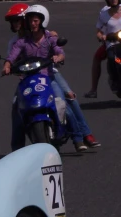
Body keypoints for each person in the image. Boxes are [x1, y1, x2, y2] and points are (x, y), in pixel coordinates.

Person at [5, 4, 100, 150]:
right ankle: (16, 147)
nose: (18, 24)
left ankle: (81, 135)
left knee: (65, 100)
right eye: (14, 21)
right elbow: (12, 56)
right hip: (28, 78)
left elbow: (58, 48)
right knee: (16, 106)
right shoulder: (18, 42)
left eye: (19, 20)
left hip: (50, 73)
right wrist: (8, 65)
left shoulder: (47, 36)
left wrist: (59, 56)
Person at [85, 0, 114, 98]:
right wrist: (101, 36)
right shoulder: (104, 12)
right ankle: (93, 90)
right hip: (110, 43)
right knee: (97, 58)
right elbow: (99, 30)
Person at [96, 0, 121, 96]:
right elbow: (99, 31)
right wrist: (101, 36)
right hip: (112, 44)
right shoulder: (104, 15)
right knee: (114, 59)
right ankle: (114, 79)